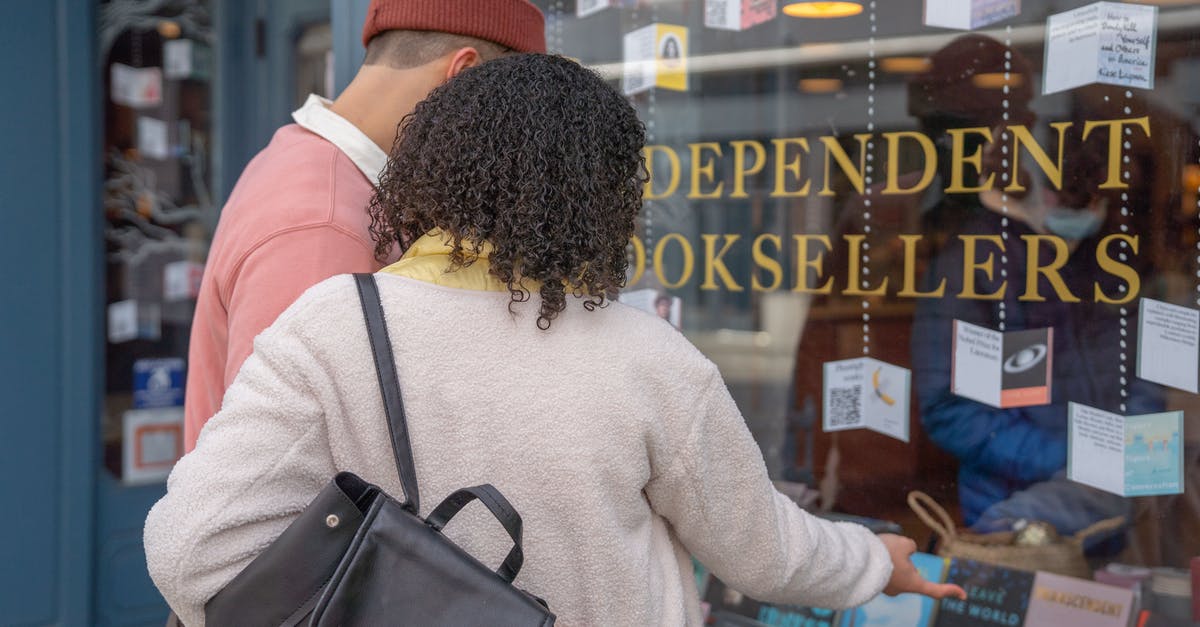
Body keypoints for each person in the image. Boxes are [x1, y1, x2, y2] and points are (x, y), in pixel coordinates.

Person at [145, 55, 963, 626]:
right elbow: (764, 553)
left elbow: (193, 553)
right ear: (603, 202)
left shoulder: (330, 325)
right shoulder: (649, 361)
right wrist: (872, 558)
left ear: (430, 170)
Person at [182, 0, 546, 451]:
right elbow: (284, 469)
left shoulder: (318, 171)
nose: (509, 140)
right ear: (463, 73)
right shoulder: (324, 220)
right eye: (510, 113)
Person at [909, 36, 1163, 543]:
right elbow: (949, 408)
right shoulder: (970, 265)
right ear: (1016, 177)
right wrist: (1075, 462)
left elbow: (1146, 376)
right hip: (1017, 520)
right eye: (1051, 181)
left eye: (1078, 186)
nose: (1064, 198)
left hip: (1117, 516)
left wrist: (1130, 455)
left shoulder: (1105, 262)